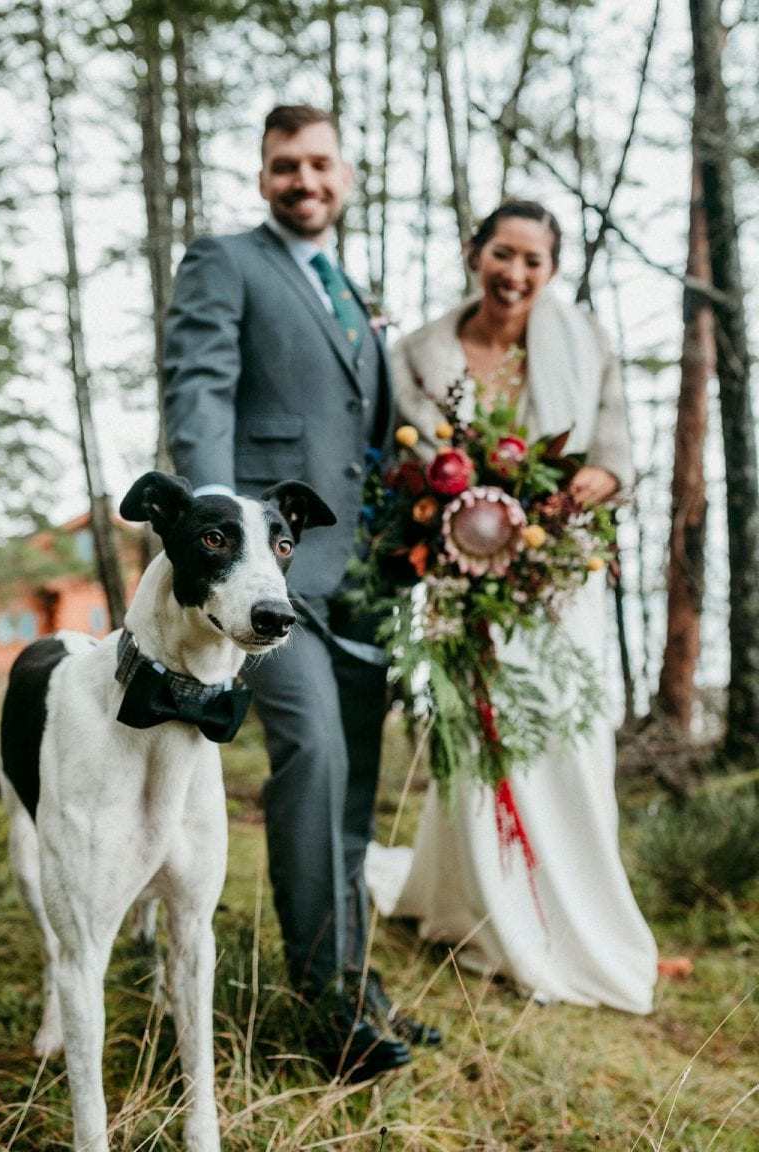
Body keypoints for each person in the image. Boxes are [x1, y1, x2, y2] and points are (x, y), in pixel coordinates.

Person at [163, 104, 440, 1080]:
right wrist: (223, 543)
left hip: (361, 579)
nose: (305, 180)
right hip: (269, 585)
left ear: (346, 173)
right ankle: (325, 1010)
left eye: (321, 162)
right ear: (263, 174)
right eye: (287, 165)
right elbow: (199, 392)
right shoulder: (225, 261)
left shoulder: (351, 296)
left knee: (358, 778)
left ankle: (361, 982)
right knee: (314, 756)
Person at [365, 199, 659, 1014]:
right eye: (503, 253)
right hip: (465, 587)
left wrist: (594, 480)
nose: (516, 274)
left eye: (534, 261)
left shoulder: (583, 338)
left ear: (552, 270)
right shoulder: (418, 354)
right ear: (474, 251)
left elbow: (615, 451)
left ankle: (572, 912)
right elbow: (405, 465)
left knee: (567, 742)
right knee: (478, 742)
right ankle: (483, 905)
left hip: (560, 581)